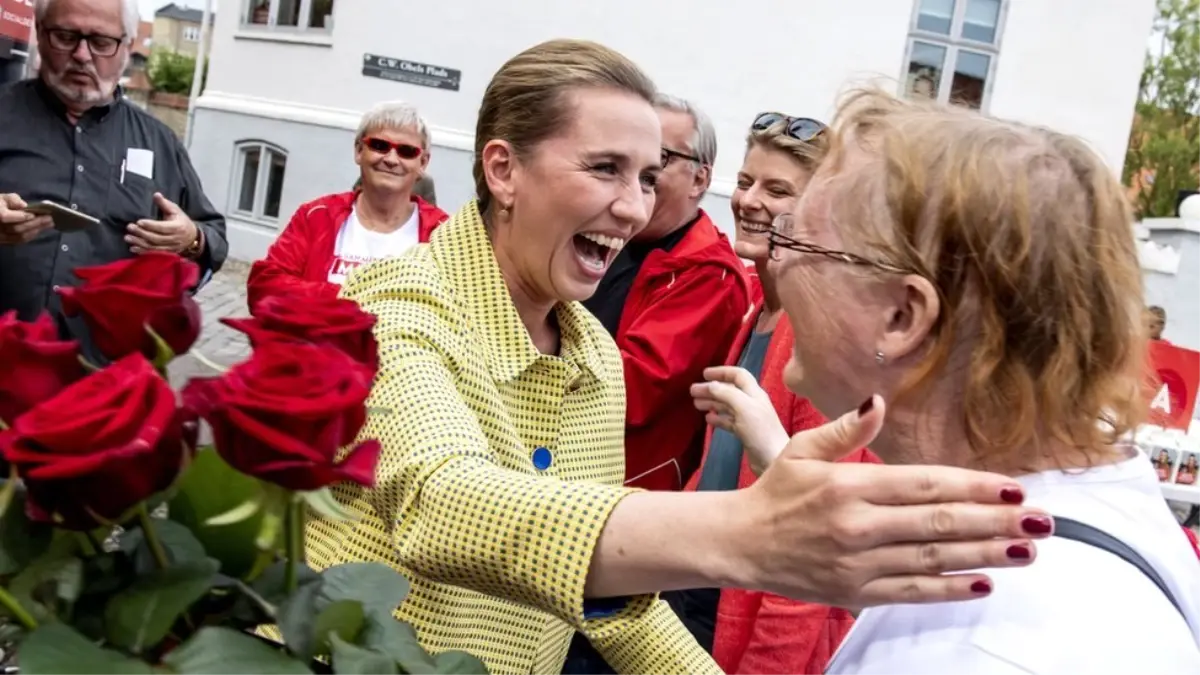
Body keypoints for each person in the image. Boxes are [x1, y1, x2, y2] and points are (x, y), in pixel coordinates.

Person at [300, 40, 1055, 675]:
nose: (633, 207)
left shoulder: (592, 351)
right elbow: (444, 506)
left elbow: (616, 607)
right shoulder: (394, 305)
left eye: (647, 177)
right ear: (503, 170)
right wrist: (743, 534)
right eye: (605, 169)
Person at [709, 89, 1200, 674]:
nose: (776, 263)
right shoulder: (1082, 502)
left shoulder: (979, 646)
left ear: (902, 317)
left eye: (797, 242)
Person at [680, 113, 879, 674]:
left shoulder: (820, 334)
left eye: (778, 189)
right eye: (745, 183)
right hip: (702, 597)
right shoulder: (761, 311)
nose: (749, 201)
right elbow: (722, 473)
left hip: (745, 623)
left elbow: (811, 554)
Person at [0, 0, 227, 362]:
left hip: (100, 384)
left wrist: (192, 240)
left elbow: (214, 237)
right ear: (40, 35)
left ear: (128, 45)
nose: (82, 55)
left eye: (101, 42)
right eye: (65, 36)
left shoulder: (160, 142)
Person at [579, 94, 750, 492]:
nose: (644, 172)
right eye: (632, 157)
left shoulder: (710, 274)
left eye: (661, 157)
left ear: (701, 179)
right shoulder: (611, 235)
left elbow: (632, 390)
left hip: (624, 494)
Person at [246, 101, 447, 312]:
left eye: (406, 151)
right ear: (359, 151)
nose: (391, 159)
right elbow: (264, 288)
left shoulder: (442, 234)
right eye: (379, 146)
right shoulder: (317, 216)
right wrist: (355, 299)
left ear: (423, 163)